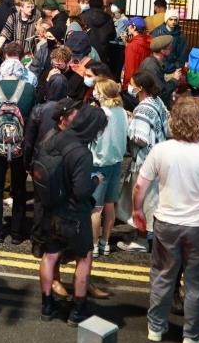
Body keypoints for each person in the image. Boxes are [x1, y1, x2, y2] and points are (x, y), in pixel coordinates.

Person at [136, 97, 199, 343]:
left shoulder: (161, 150)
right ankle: (192, 337)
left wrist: (137, 210)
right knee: (197, 282)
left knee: (162, 275)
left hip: (166, 221)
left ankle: (155, 327)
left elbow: (140, 185)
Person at [36, 103, 108, 326]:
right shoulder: (82, 154)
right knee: (84, 258)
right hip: (74, 214)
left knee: (50, 255)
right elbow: (81, 190)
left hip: (50, 208)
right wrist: (96, 179)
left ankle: (47, 306)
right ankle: (77, 311)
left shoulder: (56, 138)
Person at [0, 43, 37, 242]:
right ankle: (16, 233)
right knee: (19, 187)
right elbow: (33, 115)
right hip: (20, 143)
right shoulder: (29, 89)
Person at [118, 70, 170, 253]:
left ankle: (141, 240)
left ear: (140, 87)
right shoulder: (158, 101)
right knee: (152, 200)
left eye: (132, 83)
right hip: (159, 158)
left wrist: (129, 123)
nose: (129, 87)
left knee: (142, 202)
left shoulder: (142, 108)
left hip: (144, 163)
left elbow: (140, 137)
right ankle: (144, 235)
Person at [89, 78, 129, 256]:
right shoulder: (121, 112)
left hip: (99, 163)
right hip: (116, 162)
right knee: (109, 204)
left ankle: (94, 245)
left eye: (97, 90)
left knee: (96, 208)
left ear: (102, 93)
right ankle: (105, 242)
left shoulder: (100, 114)